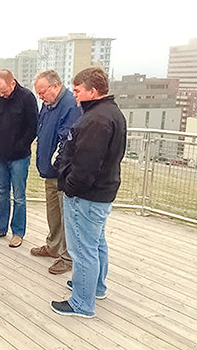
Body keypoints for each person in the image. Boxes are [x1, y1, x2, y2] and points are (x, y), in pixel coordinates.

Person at [51, 67, 126, 318]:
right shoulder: (112, 113)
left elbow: (87, 164)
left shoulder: (96, 120)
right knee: (96, 243)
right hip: (102, 193)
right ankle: (95, 287)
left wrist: (70, 189)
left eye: (78, 90)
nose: (75, 95)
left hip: (87, 196)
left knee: (83, 249)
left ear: (92, 91)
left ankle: (82, 303)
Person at [30, 70, 82, 275]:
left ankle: (68, 256)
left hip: (62, 172)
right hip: (49, 171)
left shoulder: (70, 105)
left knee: (66, 213)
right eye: (38, 93)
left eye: (42, 92)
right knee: (53, 211)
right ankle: (53, 246)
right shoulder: (48, 104)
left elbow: (66, 141)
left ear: (55, 86)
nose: (40, 97)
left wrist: (57, 166)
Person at [0, 69, 38, 248]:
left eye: (4, 90)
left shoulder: (27, 98)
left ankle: (18, 232)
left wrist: (20, 146)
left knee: (19, 196)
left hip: (19, 158)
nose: (1, 94)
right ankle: (0, 228)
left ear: (12, 83)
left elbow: (33, 127)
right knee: (2, 194)